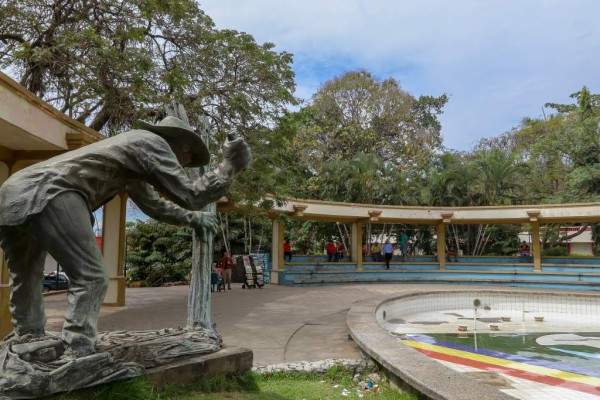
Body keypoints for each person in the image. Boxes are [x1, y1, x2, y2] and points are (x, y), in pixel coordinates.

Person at [0, 115, 251, 357]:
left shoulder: (132, 151)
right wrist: (228, 166)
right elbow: (191, 195)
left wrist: (194, 219)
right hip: (52, 192)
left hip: (14, 191)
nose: (184, 165)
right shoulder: (152, 143)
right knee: (91, 277)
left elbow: (154, 205)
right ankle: (77, 347)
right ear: (181, 145)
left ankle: (29, 335)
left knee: (27, 274)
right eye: (188, 159)